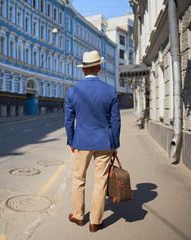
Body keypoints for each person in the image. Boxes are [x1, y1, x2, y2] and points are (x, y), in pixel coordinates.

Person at [64, 50, 121, 233]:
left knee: (78, 179)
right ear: (100, 68)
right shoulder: (109, 90)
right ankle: (95, 222)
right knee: (100, 182)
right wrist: (114, 145)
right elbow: (115, 121)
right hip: (104, 143)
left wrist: (72, 141)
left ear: (83, 70)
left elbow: (68, 121)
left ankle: (78, 216)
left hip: (81, 142)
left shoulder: (73, 91)